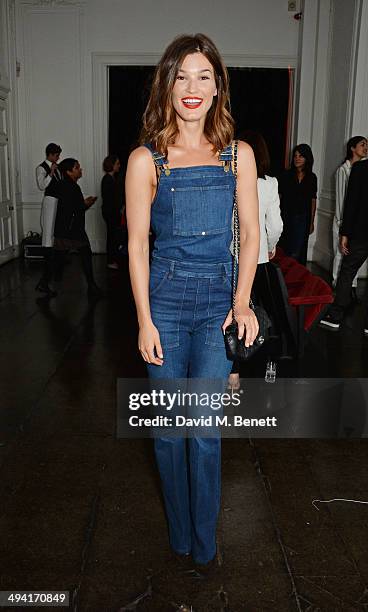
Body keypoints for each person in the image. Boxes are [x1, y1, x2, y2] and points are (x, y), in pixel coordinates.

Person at [125, 33, 259, 568]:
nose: (192, 86)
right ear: (167, 85)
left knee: (203, 434)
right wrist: (143, 319)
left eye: (203, 75)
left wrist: (242, 302)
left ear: (217, 86)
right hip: (165, 304)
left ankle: (204, 545)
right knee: (167, 435)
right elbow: (136, 245)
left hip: (216, 307)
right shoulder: (146, 160)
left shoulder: (236, 155)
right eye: (181, 75)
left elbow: (250, 235)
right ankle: (179, 535)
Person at [228, 131, 283, 390]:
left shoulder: (227, 177)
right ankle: (270, 364)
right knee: (267, 315)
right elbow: (275, 224)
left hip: (229, 257)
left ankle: (233, 373)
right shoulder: (269, 184)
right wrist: (270, 247)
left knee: (231, 314)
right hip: (259, 258)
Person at [320, 157, 368, 334]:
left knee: (347, 272)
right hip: (360, 232)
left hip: (360, 232)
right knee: (347, 272)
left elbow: (351, 202)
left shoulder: (360, 168)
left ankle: (336, 315)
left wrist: (344, 233)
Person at [53, 158, 103, 297]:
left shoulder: (65, 185)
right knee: (84, 255)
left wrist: (84, 203)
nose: (80, 169)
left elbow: (71, 207)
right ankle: (91, 286)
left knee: (60, 257)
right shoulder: (71, 187)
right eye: (77, 168)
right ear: (69, 171)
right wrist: (86, 203)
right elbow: (76, 208)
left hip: (66, 229)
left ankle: (47, 283)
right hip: (72, 229)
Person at [332, 136, 367, 298]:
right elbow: (342, 200)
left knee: (349, 263)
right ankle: (339, 292)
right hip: (345, 222)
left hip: (355, 225)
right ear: (352, 148)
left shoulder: (360, 169)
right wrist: (342, 227)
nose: (366, 147)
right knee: (342, 259)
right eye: (362, 144)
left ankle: (347, 293)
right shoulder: (343, 170)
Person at [279, 144, 317, 265]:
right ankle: (283, 278)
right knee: (286, 249)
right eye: (295, 156)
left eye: (301, 156)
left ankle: (295, 278)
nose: (297, 158)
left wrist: (311, 221)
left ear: (307, 158)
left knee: (298, 251)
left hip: (302, 219)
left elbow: (313, 200)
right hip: (286, 216)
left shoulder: (312, 177)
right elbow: (279, 197)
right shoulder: (286, 175)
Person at [35, 142, 62, 296]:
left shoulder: (56, 168)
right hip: (49, 202)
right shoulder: (41, 168)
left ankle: (49, 274)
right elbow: (41, 186)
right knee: (47, 236)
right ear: (50, 155)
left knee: (53, 235)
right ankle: (46, 273)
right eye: (57, 155)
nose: (58, 158)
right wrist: (51, 173)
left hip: (57, 202)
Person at [101, 155, 122, 270]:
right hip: (110, 213)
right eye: (117, 164)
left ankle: (112, 259)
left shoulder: (111, 179)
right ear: (112, 165)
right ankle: (110, 261)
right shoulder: (107, 180)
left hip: (111, 212)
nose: (119, 166)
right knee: (112, 236)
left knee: (113, 236)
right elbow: (110, 199)